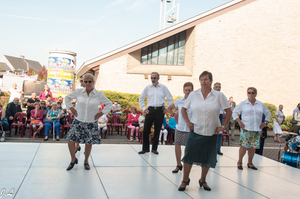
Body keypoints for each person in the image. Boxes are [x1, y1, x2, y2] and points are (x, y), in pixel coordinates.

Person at [178, 71, 232, 192]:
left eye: (206, 79)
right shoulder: (193, 95)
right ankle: (185, 180)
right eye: (201, 79)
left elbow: (228, 111)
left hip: (211, 132)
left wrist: (223, 126)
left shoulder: (218, 95)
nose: (203, 81)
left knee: (207, 158)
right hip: (195, 131)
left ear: (211, 81)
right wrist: (188, 122)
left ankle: (203, 180)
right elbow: (183, 109)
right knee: (188, 157)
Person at [64, 73, 112, 171]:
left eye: (89, 81)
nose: (87, 83)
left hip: (91, 121)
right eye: (85, 81)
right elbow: (67, 98)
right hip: (79, 119)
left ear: (93, 82)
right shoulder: (78, 92)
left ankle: (86, 161)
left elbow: (109, 104)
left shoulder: (99, 94)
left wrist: (101, 114)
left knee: (88, 142)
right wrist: (72, 109)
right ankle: (73, 159)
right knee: (70, 139)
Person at [232, 87, 271, 171]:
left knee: (253, 146)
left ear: (256, 94)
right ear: (247, 94)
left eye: (253, 93)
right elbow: (234, 112)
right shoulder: (243, 103)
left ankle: (250, 163)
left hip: (256, 128)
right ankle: (239, 162)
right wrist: (239, 121)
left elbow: (268, 113)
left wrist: (265, 122)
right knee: (244, 145)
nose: (251, 94)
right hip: (246, 128)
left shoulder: (260, 104)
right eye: (249, 92)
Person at [138, 72, 173, 155]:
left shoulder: (163, 88)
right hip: (150, 110)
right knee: (146, 129)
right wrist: (144, 108)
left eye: (154, 78)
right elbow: (141, 98)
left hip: (160, 110)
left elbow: (170, 98)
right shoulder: (147, 88)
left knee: (157, 130)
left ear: (158, 78)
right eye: (152, 78)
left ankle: (154, 149)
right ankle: (145, 149)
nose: (153, 79)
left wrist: (167, 109)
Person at [167, 82, 193, 173]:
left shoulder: (195, 101)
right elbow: (169, 108)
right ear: (183, 91)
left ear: (192, 91)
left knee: (188, 148)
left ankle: (187, 165)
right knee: (177, 145)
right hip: (180, 127)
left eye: (189, 90)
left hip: (190, 128)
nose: (187, 92)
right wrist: (174, 114)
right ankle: (178, 164)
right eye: (186, 90)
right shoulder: (179, 100)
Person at [213, 82, 225, 155]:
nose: (218, 88)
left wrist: (224, 113)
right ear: (213, 88)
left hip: (220, 115)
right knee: (211, 132)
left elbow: (225, 105)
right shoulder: (211, 95)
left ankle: (218, 149)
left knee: (219, 132)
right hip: (212, 115)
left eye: (219, 87)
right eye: (216, 87)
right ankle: (211, 149)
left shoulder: (221, 95)